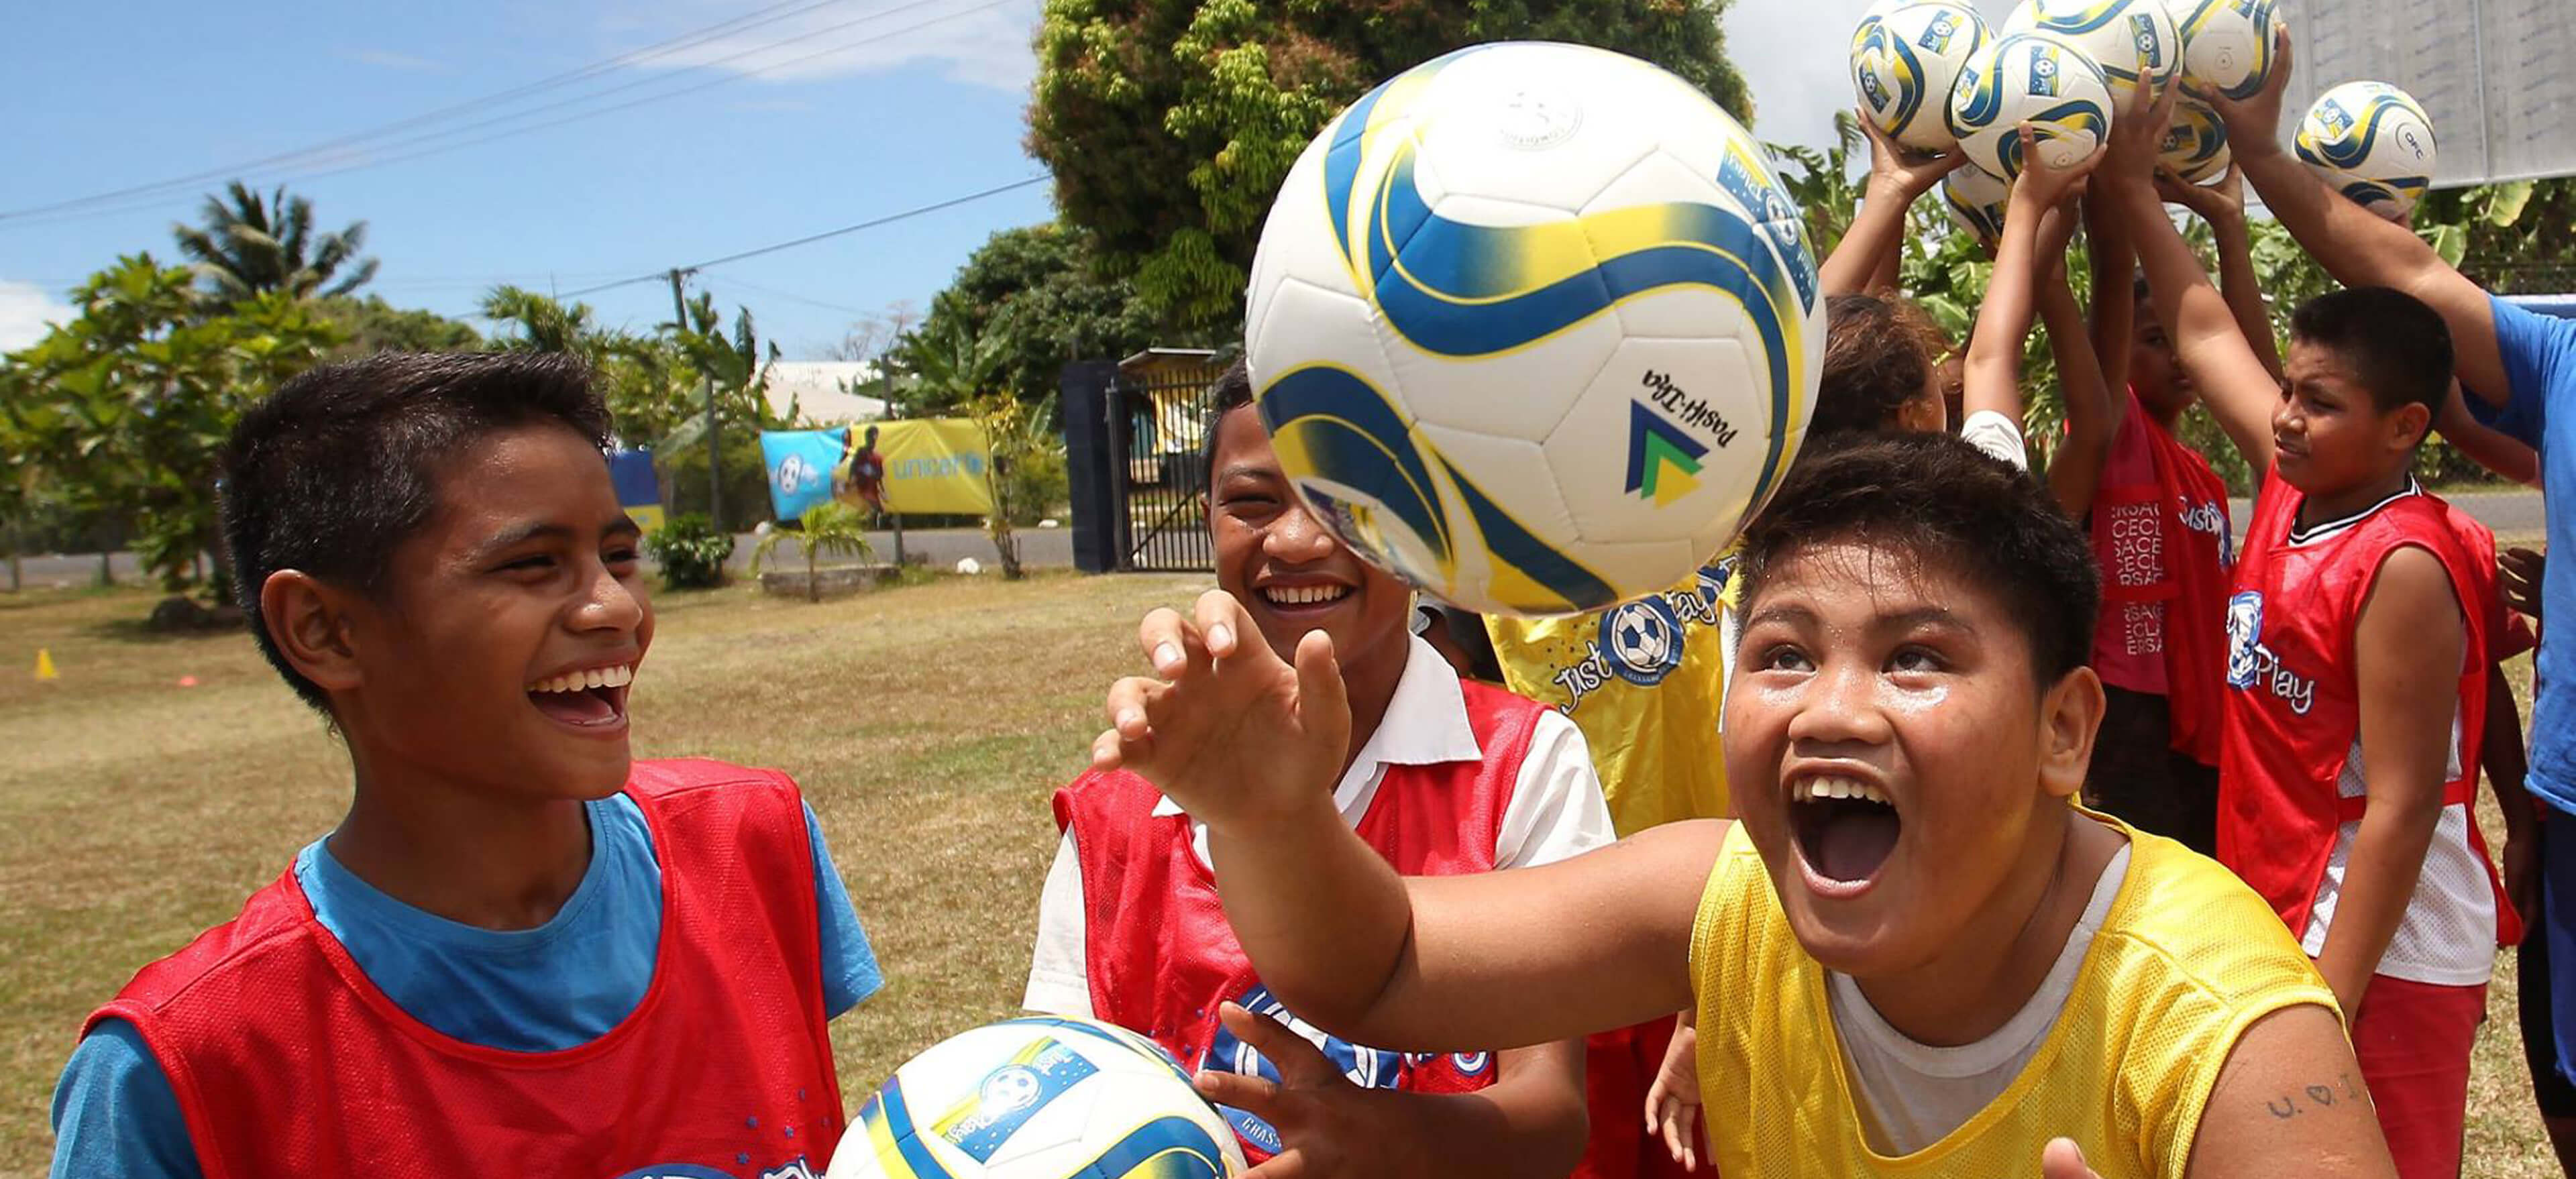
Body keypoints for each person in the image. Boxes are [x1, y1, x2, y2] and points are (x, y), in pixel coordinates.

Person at [1095, 430, 2393, 1177]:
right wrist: (1270, 811)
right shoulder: (1726, 897)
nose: (1829, 706)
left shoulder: (2225, 1029)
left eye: (1917, 655)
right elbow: (1379, 964)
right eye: (1781, 653)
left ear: (2066, 728)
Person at [48, 353, 882, 1178]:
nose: (618, 607)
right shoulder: (190, 1069)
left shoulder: (750, 839)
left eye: (619, 557)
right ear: (325, 630)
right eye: (531, 564)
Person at [1024, 359, 1617, 1177]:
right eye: (1254, 502)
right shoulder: (1118, 811)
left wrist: (1382, 1141)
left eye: (1354, 501)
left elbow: (1551, 1119)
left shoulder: (1523, 768)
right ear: (1207, 518)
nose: (1298, 540)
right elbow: (1058, 1103)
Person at [2103, 74, 2517, 1178]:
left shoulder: (2408, 561)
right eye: (2288, 389)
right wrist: (2140, 191)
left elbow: (2395, 812)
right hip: (2281, 901)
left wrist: (2325, 996)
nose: (2284, 416)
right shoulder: (2298, 486)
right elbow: (2197, 324)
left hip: (2383, 946)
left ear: (2403, 429)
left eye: (2320, 402)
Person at [2059, 168, 2253, 856]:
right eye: (2152, 339)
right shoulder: (2117, 432)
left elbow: (2243, 358)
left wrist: (2229, 226)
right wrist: (2106, 210)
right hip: (2129, 719)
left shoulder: (2200, 472)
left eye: (2179, 337)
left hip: (2203, 723)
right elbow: (2102, 337)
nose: (2177, 356)